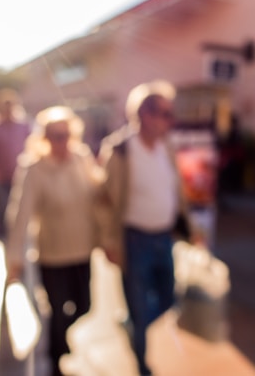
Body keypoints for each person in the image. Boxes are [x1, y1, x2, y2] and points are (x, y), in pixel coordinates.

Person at [97, 80, 199, 376]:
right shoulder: (120, 150)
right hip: (134, 240)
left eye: (170, 113)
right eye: (164, 113)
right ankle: (141, 364)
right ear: (144, 114)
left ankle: (133, 328)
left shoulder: (167, 146)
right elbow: (103, 201)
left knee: (169, 299)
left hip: (164, 238)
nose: (169, 119)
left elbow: (176, 191)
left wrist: (190, 227)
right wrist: (109, 242)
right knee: (140, 309)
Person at [5, 106, 103, 376]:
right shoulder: (34, 169)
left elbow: (99, 196)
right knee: (57, 310)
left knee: (84, 305)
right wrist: (14, 259)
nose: (62, 142)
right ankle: (55, 357)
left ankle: (59, 340)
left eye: (66, 135)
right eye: (55, 136)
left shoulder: (82, 158)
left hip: (82, 249)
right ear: (44, 138)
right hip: (52, 253)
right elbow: (20, 215)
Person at [0, 88, 31, 238]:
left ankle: (20, 234)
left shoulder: (24, 126)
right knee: (4, 208)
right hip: (2, 178)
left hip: (21, 176)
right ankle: (7, 235)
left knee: (22, 207)